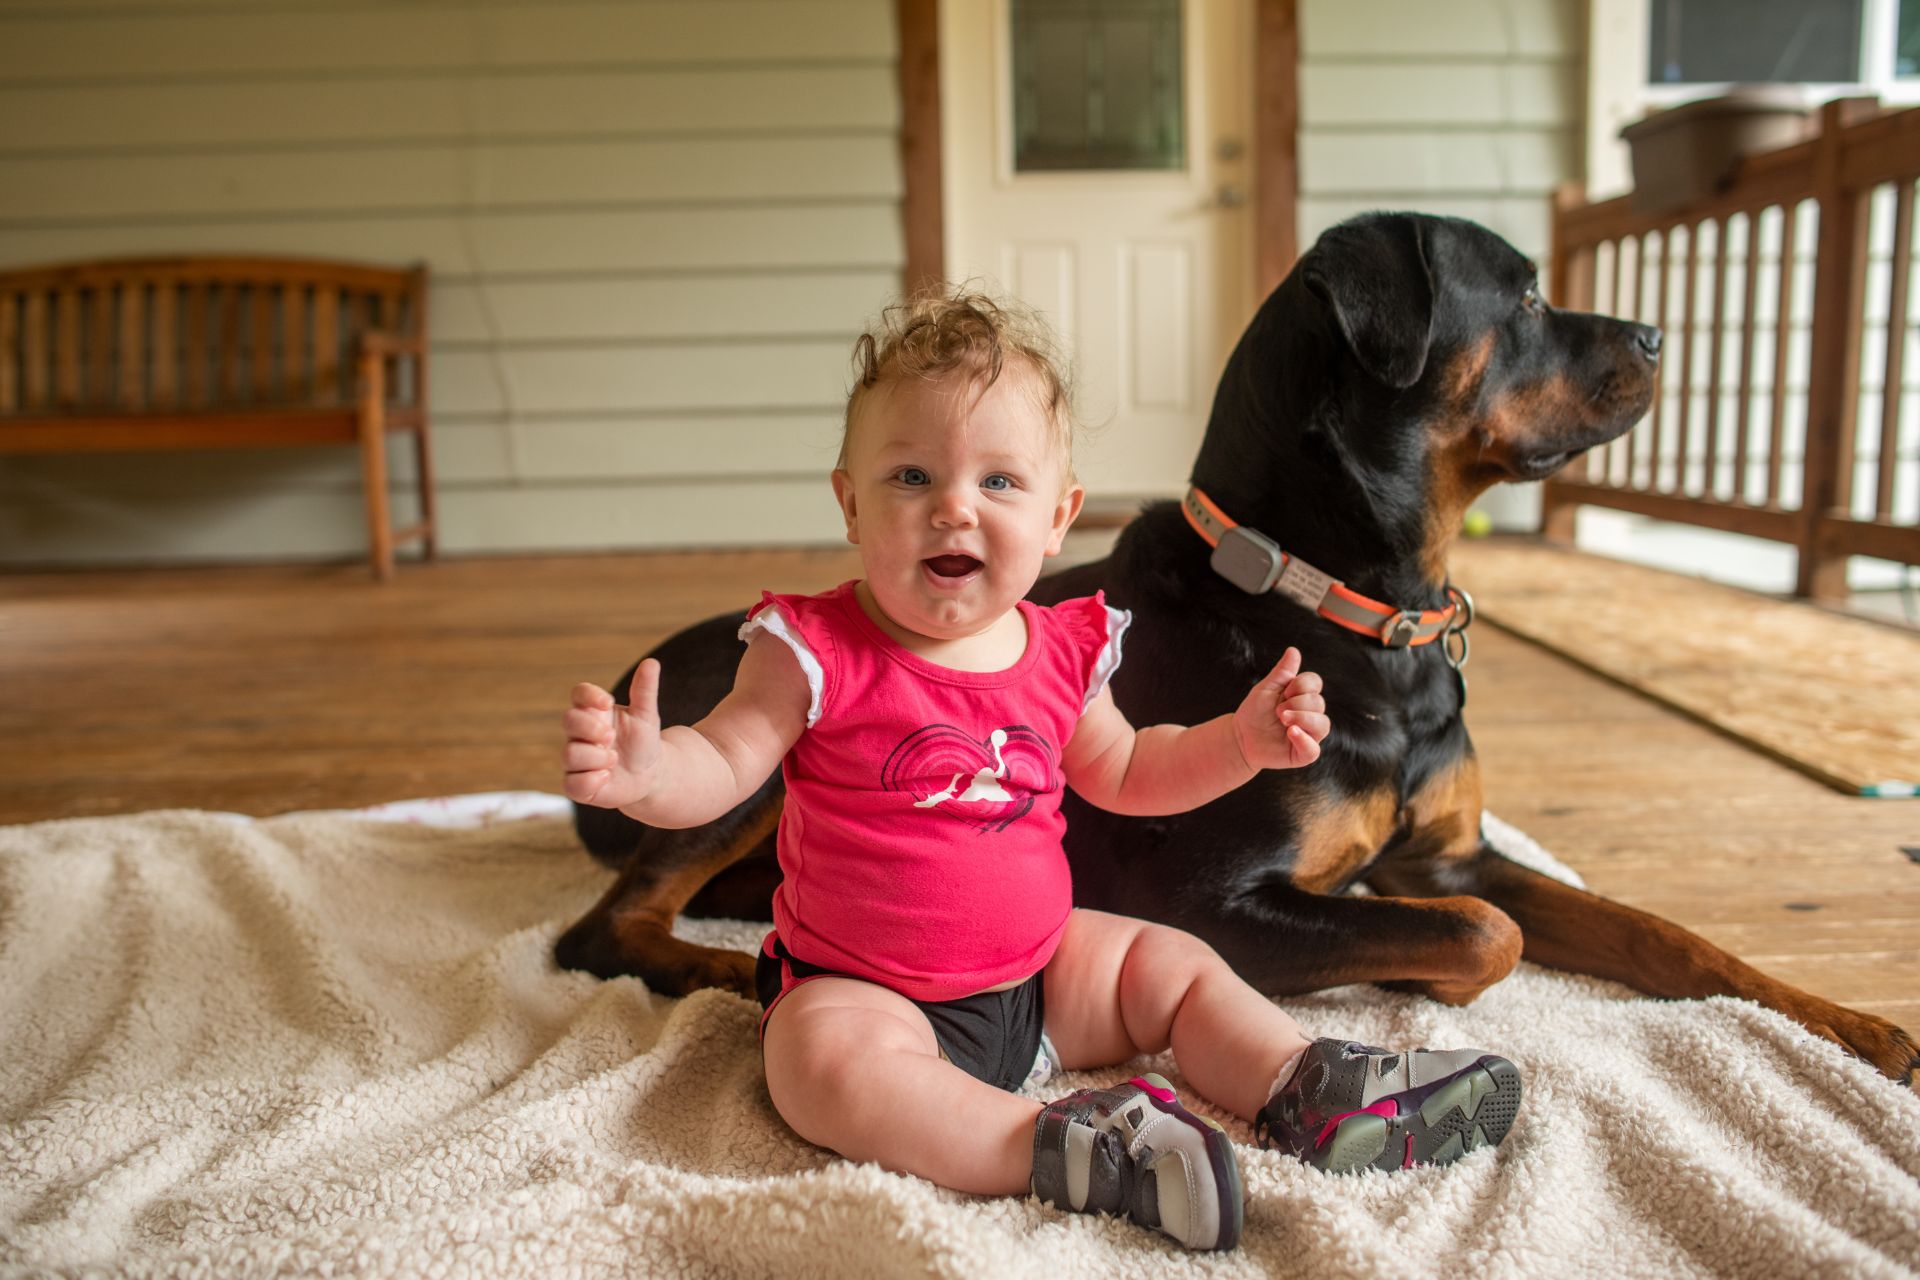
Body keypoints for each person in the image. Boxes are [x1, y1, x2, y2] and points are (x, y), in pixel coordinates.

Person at [562, 290, 1522, 1252]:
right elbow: (726, 762)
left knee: (1173, 966)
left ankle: (1303, 1083)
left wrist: (1238, 743)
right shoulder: (811, 648)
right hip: (867, 991)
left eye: (1000, 483)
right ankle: (1059, 1147)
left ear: (1059, 518)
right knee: (819, 1066)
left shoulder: (1061, 650)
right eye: (910, 476)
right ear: (850, 503)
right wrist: (650, 773)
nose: (953, 507)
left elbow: (1132, 770)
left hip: (1038, 974)